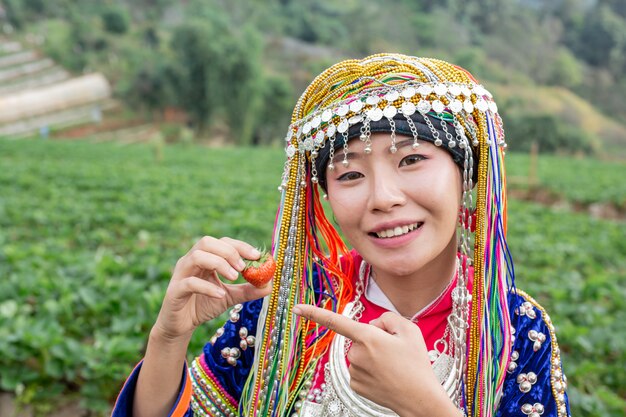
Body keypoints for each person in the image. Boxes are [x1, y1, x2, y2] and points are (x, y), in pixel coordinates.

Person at [111, 54, 571, 417]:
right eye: (350, 174)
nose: (383, 197)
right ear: (324, 195)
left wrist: (422, 405)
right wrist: (167, 339)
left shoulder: (512, 331)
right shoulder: (286, 311)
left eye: (411, 160)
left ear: (466, 174)